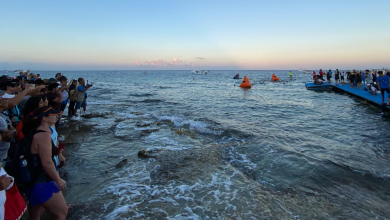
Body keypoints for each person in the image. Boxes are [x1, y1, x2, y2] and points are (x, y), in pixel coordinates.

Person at [22, 107, 68, 220]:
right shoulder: (43, 136)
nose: (57, 116)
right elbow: (47, 162)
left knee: (36, 215)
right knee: (62, 212)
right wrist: (58, 179)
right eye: (54, 114)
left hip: (33, 181)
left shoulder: (35, 133)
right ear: (44, 118)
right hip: (42, 181)